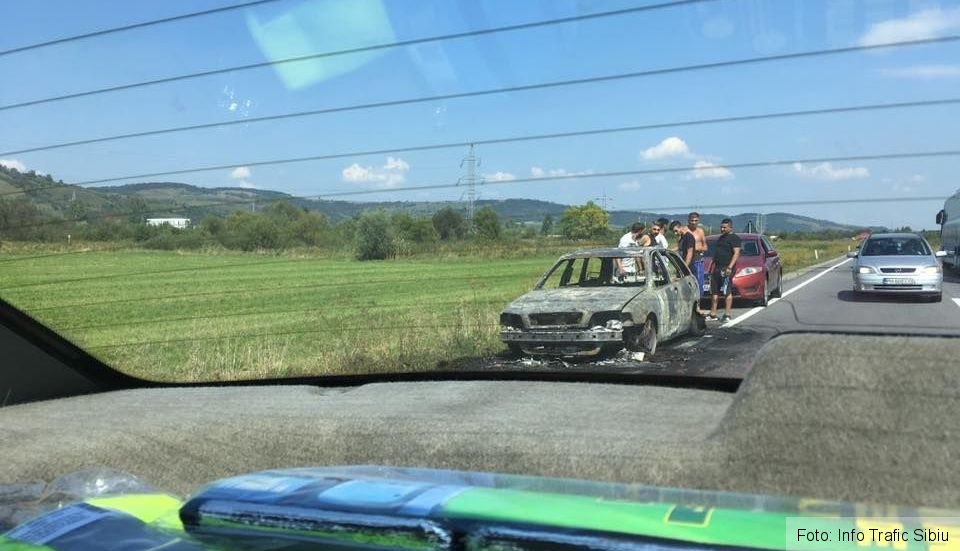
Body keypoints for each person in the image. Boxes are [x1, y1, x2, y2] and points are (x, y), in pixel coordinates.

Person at [708, 218, 741, 323]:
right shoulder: (721, 238)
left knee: (727, 290)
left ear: (730, 227)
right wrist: (711, 265)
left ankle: (727, 314)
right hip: (717, 267)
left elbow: (736, 253)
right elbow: (716, 253)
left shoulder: (734, 238)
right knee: (714, 291)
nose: (722, 229)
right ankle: (713, 313)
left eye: (724, 227)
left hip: (726, 268)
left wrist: (730, 267)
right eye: (721, 227)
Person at [687, 212, 707, 298]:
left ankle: (698, 303)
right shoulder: (684, 230)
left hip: (698, 259)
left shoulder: (700, 231)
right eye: (692, 220)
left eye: (696, 220)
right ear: (688, 220)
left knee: (699, 282)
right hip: (687, 259)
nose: (694, 222)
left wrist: (697, 249)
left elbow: (705, 246)